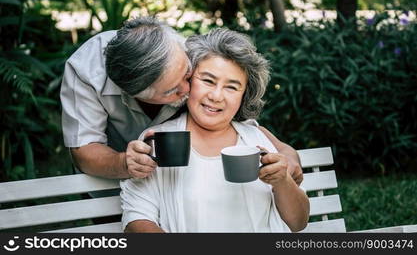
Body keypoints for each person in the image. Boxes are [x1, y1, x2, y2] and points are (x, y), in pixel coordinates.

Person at [60, 16, 303, 184]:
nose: (189, 89)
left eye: (187, 74)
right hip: (109, 178)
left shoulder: (183, 50)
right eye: (171, 92)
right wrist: (126, 163)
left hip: (179, 183)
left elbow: (233, 122)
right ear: (135, 95)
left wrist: (284, 149)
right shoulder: (86, 71)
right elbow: (84, 151)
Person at [120, 28, 309, 233]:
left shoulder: (256, 138)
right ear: (189, 80)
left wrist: (282, 181)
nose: (216, 96)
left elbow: (298, 223)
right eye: (208, 81)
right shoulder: (159, 141)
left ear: (244, 95)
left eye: (231, 87)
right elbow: (137, 219)